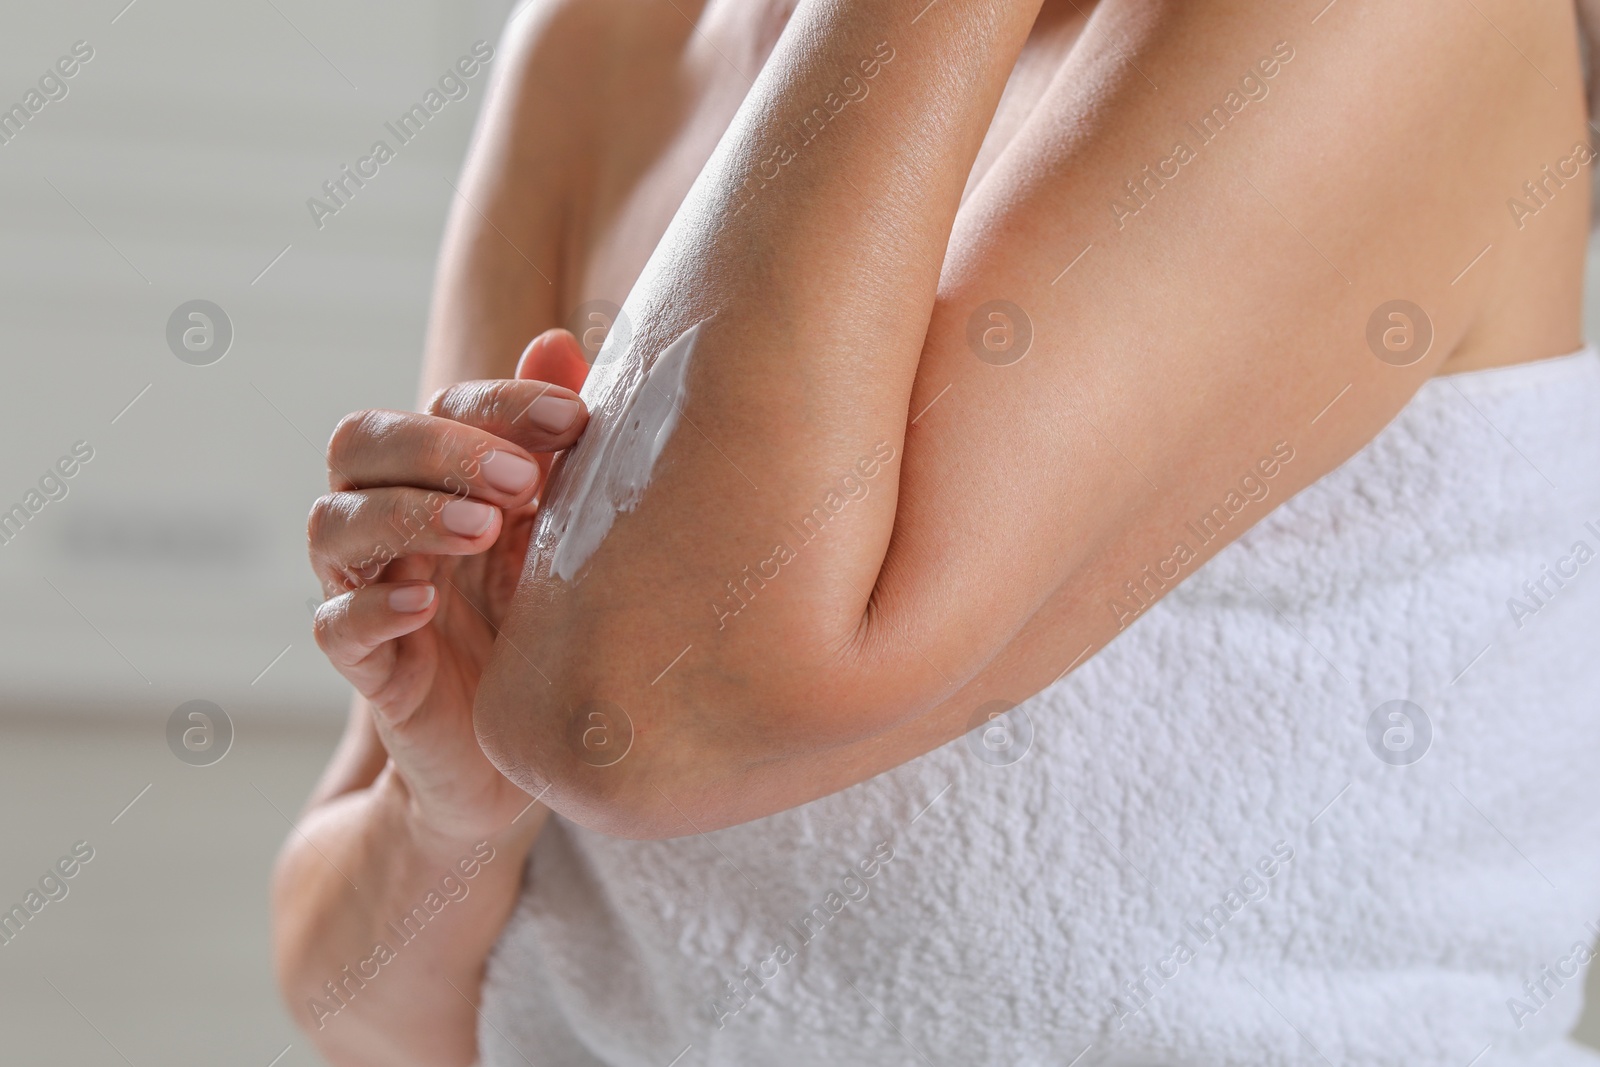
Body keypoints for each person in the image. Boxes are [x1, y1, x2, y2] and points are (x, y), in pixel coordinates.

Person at [274, 1, 1600, 1063]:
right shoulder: (600, 42)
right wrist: (447, 811)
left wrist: (555, 714)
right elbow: (376, 1025)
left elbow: (636, 725)